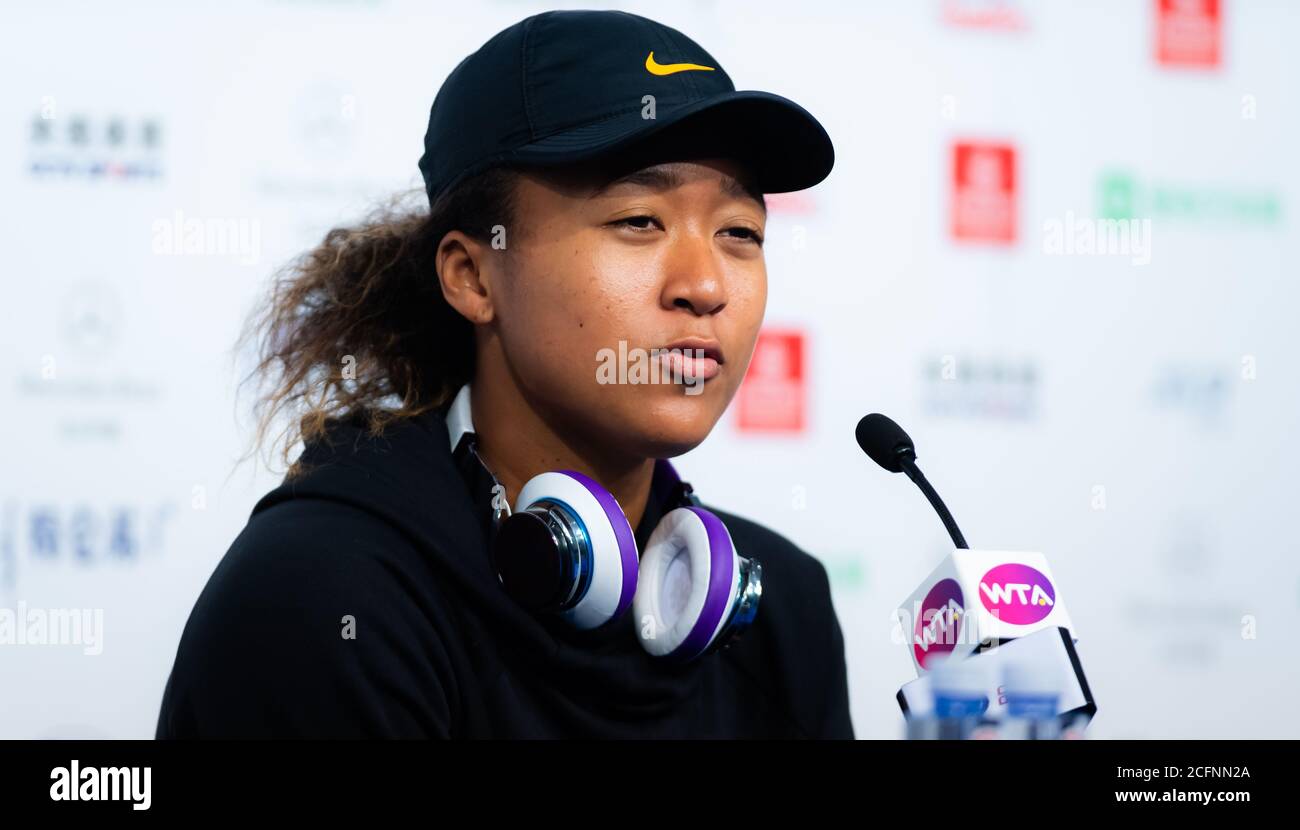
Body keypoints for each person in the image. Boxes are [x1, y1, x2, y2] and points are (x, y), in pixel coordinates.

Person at [156, 9, 853, 739]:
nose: (705, 286)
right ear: (472, 277)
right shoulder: (324, 595)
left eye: (739, 233)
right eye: (639, 221)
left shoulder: (780, 607)